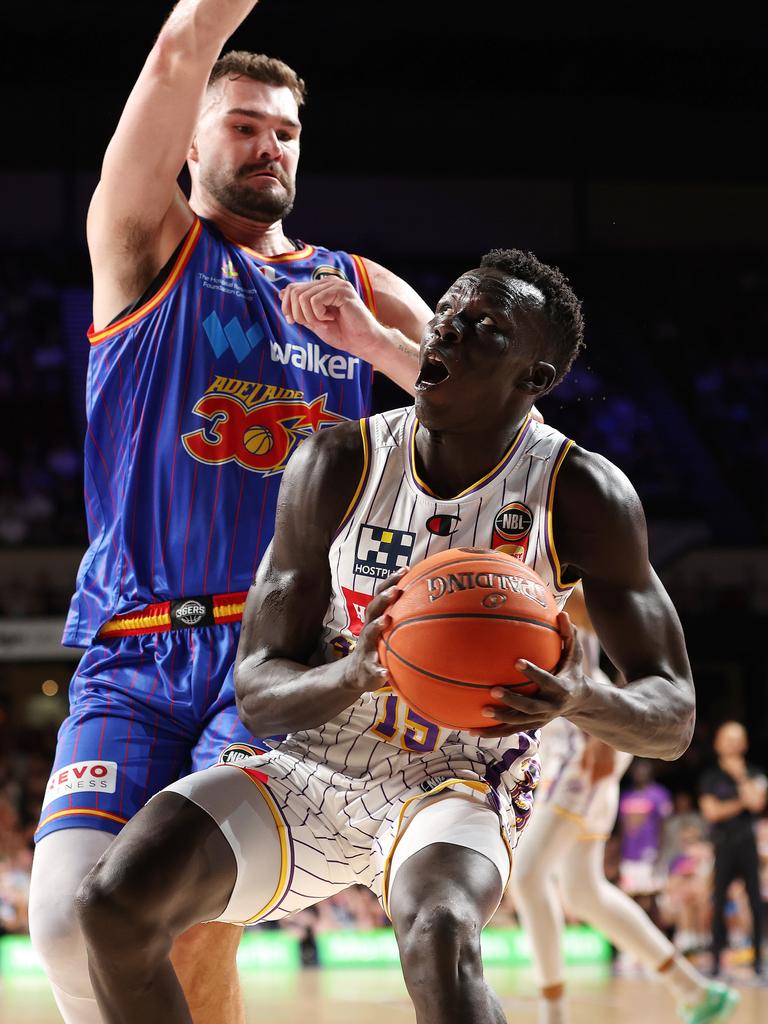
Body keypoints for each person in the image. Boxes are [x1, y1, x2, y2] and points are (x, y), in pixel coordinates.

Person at [74, 248, 697, 1024]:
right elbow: (261, 695)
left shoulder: (582, 492)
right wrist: (357, 672)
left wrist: (580, 696)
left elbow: (671, 717)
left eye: (486, 329)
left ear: (534, 380)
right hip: (313, 766)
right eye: (450, 312)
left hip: (460, 775)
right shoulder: (337, 460)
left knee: (439, 935)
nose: (450, 332)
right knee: (112, 902)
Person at [27, 2, 433, 1022]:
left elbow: (495, 410)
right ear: (193, 140)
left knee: (185, 913)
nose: (268, 145)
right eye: (243, 123)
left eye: (285, 129)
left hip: (277, 659)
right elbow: (179, 45)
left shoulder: (356, 283)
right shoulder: (146, 245)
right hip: (132, 649)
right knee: (70, 927)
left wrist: (377, 350)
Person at [511, 586, 738, 1024]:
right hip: (566, 746)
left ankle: (554, 1016)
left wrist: (605, 728)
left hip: (584, 745)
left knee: (529, 875)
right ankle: (694, 989)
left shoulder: (558, 574)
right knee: (584, 891)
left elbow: (634, 639)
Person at [700, 721, 767, 978]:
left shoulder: (755, 773)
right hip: (723, 845)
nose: (730, 743)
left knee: (755, 901)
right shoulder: (710, 777)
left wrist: (740, 778)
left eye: (736, 738)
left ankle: (758, 961)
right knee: (718, 903)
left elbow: (757, 803)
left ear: (744, 743)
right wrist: (742, 802)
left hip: (748, 844)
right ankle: (716, 960)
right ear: (717, 743)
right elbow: (711, 812)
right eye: (726, 738)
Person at [618, 758, 673, 916]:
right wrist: (620, 853)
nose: (640, 773)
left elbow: (664, 827)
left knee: (652, 896)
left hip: (650, 854)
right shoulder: (626, 795)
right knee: (630, 897)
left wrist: (661, 853)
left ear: (651, 772)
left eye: (644, 769)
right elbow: (622, 828)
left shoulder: (659, 794)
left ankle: (657, 933)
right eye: (637, 770)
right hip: (629, 856)